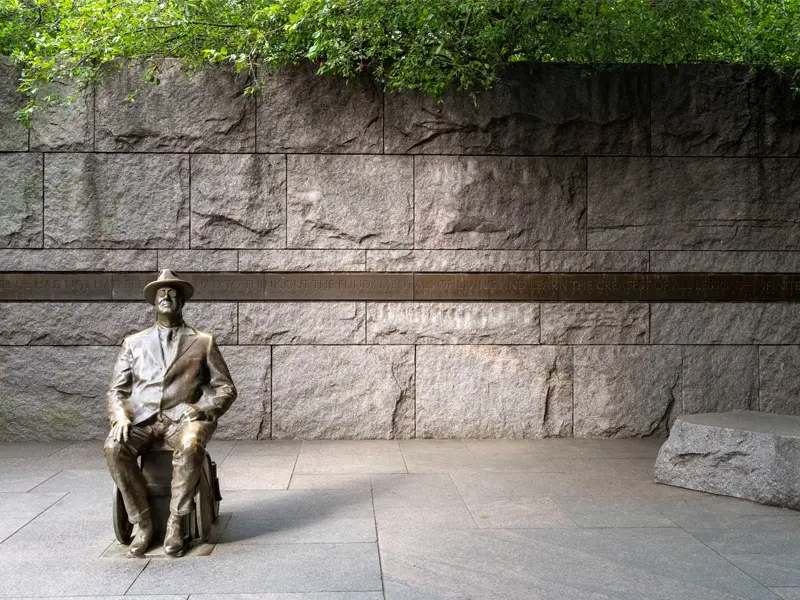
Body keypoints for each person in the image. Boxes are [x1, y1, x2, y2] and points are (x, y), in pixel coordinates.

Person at [104, 269, 236, 557]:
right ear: (154, 302)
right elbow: (116, 391)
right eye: (162, 292)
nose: (167, 296)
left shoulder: (203, 341)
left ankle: (177, 521)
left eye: (174, 293)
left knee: (191, 445)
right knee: (114, 447)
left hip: (183, 419)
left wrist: (201, 408)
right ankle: (143, 523)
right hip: (141, 418)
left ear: (182, 302)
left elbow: (226, 389)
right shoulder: (134, 343)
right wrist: (121, 417)